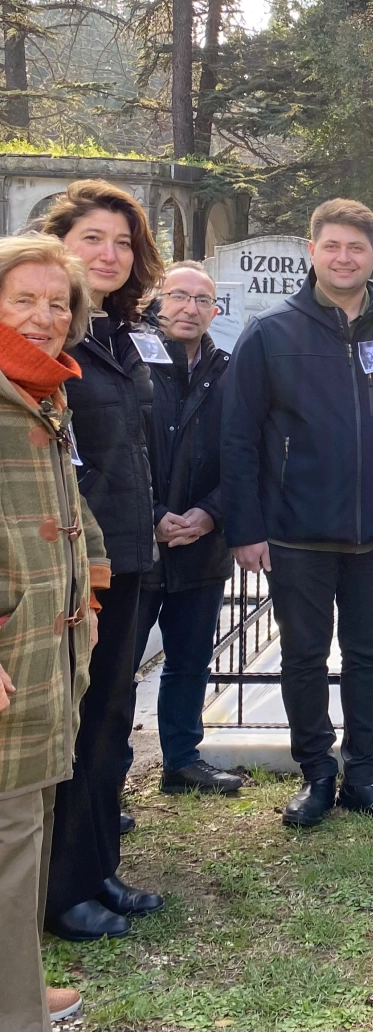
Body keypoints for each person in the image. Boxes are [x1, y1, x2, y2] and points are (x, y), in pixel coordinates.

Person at [220, 199, 373, 828]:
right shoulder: (270, 334)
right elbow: (238, 439)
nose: (344, 258)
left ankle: (362, 775)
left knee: (369, 656)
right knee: (304, 658)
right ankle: (317, 771)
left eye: (356, 248)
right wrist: (247, 527)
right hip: (297, 532)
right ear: (312, 252)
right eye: (332, 247)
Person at [36, 180, 165, 942]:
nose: (109, 254)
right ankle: (60, 893)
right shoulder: (52, 336)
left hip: (129, 552)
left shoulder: (118, 333)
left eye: (122, 242)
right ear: (60, 243)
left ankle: (97, 870)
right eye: (93, 239)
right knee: (75, 727)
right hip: (77, 560)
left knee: (112, 721)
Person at [0, 235, 106, 1029]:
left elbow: (72, 512)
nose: (45, 317)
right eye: (23, 300)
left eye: (58, 302)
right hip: (9, 655)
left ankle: (20, 991)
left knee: (24, 832)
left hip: (44, 648)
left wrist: (90, 593)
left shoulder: (42, 392)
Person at [137, 262, 242, 796]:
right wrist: (152, 514)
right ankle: (101, 775)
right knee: (116, 669)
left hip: (204, 543)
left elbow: (245, 453)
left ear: (215, 311)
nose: (190, 308)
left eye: (203, 300)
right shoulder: (130, 360)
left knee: (189, 662)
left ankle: (181, 759)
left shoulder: (229, 370)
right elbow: (115, 452)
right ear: (158, 303)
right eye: (179, 297)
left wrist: (211, 513)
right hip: (138, 544)